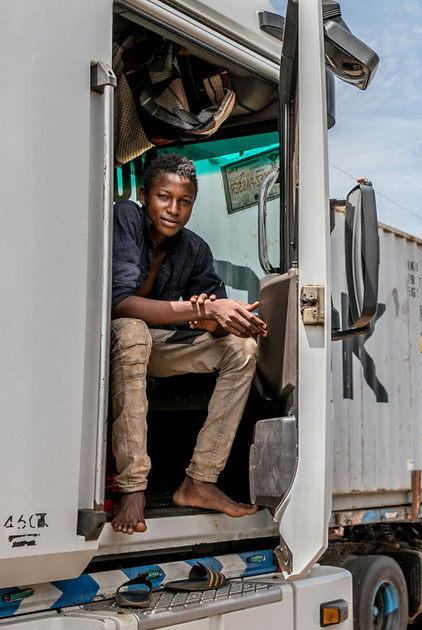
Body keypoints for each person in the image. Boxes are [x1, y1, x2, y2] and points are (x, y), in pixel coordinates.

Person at [109, 153, 267, 534]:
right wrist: (191, 312)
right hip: (107, 343)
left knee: (241, 349)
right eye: (164, 197)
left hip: (157, 347)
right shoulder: (125, 218)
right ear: (145, 194)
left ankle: (199, 480)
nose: (174, 210)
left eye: (185, 202)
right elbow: (120, 302)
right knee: (131, 330)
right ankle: (132, 486)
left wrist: (216, 319)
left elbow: (209, 319)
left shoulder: (195, 249)